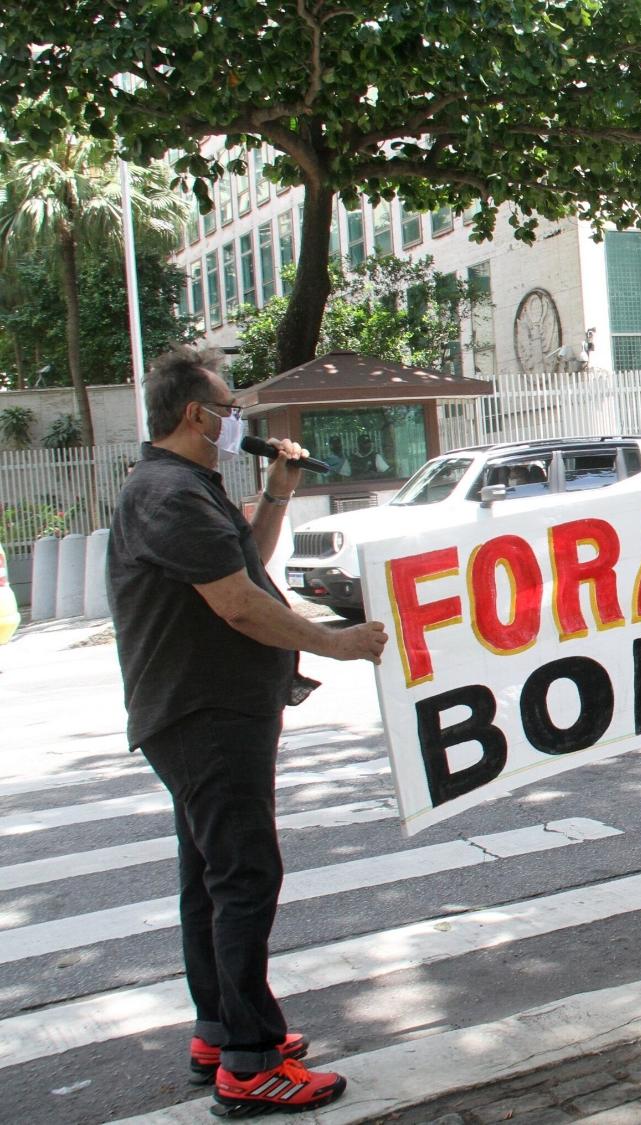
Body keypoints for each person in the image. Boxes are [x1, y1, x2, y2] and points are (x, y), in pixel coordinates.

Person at [107, 345, 388, 1113]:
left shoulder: (182, 488)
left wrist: (277, 493)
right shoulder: (170, 494)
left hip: (204, 711)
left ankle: (220, 1029)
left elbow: (246, 568)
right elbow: (238, 605)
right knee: (244, 875)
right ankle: (250, 1060)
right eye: (230, 409)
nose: (239, 420)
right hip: (207, 715)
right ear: (196, 415)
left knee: (209, 875)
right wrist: (337, 641)